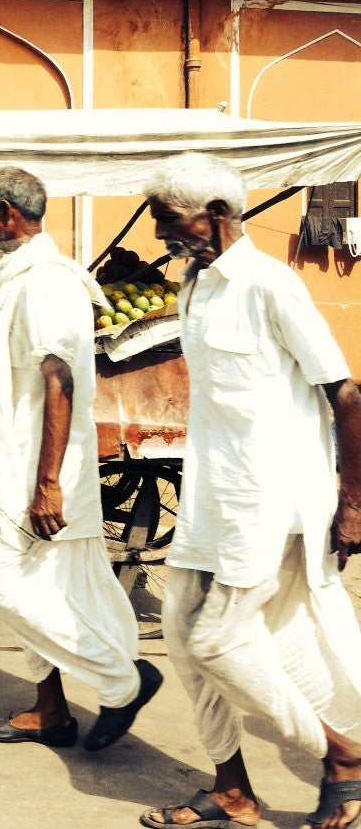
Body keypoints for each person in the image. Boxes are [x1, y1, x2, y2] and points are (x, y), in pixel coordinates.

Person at [140, 154, 361, 829]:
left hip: (270, 500)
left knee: (220, 642)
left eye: (166, 219)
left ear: (214, 214)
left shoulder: (271, 284)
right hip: (212, 496)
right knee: (181, 635)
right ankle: (233, 790)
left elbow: (346, 394)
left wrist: (353, 502)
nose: (159, 233)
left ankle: (344, 759)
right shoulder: (195, 284)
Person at [0, 166, 162, 752]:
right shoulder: (21, 278)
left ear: (5, 210)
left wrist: (47, 483)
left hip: (38, 471)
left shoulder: (47, 283)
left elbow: (61, 381)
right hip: (21, 465)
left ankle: (122, 681)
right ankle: (50, 712)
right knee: (45, 586)